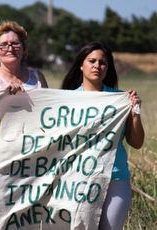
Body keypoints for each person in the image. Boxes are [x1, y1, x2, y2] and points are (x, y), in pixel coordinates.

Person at [61, 41, 145, 230]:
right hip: (77, 180)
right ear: (81, 65)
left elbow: (137, 143)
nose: (97, 66)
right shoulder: (66, 101)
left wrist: (135, 112)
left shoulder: (121, 99)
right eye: (92, 61)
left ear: (108, 67)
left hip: (116, 179)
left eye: (103, 62)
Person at [0, 21, 48, 92]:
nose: (10, 49)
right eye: (4, 45)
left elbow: (47, 104)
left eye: (15, 44)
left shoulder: (38, 78)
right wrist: (2, 92)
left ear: (23, 49)